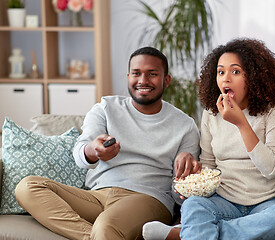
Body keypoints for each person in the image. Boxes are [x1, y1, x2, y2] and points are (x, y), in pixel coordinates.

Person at [15, 46, 201, 240]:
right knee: (28, 187)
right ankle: (93, 237)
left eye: (152, 74)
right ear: (128, 76)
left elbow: (182, 196)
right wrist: (93, 150)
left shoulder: (185, 126)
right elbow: (81, 153)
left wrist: (184, 174)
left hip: (148, 199)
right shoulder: (105, 108)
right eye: (136, 73)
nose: (143, 81)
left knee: (106, 226)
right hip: (96, 196)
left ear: (166, 80)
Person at [143, 38, 275, 240]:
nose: (226, 79)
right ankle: (198, 229)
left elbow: (272, 168)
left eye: (235, 72)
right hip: (223, 200)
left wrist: (241, 123)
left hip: (266, 202)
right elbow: (208, 165)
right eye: (221, 72)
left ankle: (190, 232)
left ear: (253, 76)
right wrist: (192, 184)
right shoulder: (211, 112)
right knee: (193, 205)